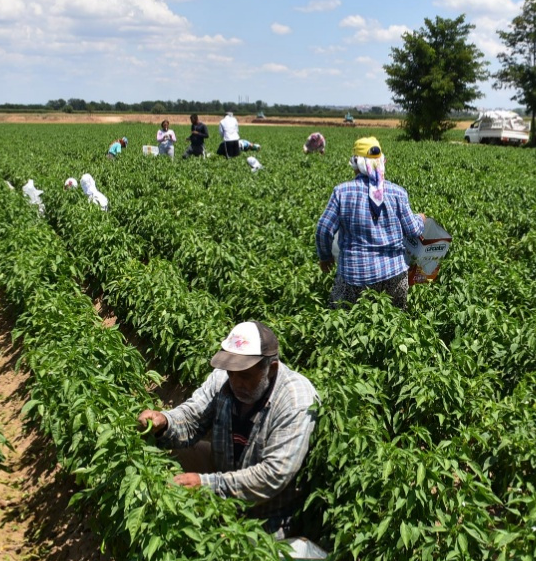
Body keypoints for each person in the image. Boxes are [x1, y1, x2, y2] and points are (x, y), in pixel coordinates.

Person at [136, 321, 317, 538]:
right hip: (226, 472)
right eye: (232, 372)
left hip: (268, 511)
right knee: (167, 451)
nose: (235, 381)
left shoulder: (296, 399)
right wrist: (164, 421)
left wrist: (206, 484)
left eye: (246, 375)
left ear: (272, 369)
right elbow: (193, 416)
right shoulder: (225, 377)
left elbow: (273, 474)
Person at [315, 137, 424, 310]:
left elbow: (324, 229)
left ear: (355, 165)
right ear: (381, 163)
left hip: (355, 276)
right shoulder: (397, 192)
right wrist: (420, 219)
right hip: (394, 274)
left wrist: (325, 257)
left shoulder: (342, 192)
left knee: (345, 320)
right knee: (394, 320)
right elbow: (413, 230)